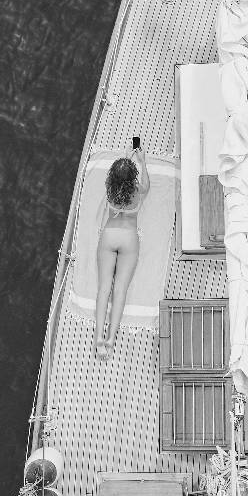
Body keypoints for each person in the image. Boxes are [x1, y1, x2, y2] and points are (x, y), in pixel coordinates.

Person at [95, 145, 149, 357]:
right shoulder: (138, 191)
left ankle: (98, 337)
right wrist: (141, 162)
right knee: (120, 290)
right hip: (128, 238)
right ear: (132, 178)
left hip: (109, 235)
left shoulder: (110, 187)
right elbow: (146, 184)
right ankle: (110, 339)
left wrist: (126, 159)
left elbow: (119, 177)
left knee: (104, 288)